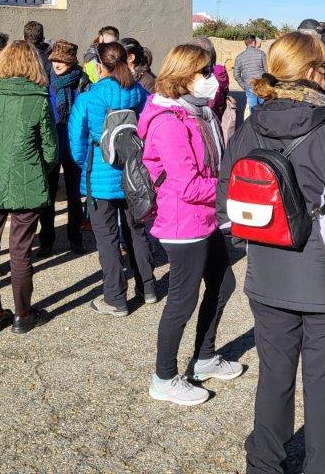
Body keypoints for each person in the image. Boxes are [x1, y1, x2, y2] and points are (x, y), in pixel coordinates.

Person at [217, 31, 325, 474]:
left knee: (274, 378)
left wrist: (251, 245)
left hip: (267, 277)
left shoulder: (251, 126)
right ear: (312, 74)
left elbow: (227, 206)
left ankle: (263, 465)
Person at [139, 44, 240, 406]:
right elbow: (188, 184)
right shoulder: (168, 121)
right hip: (182, 222)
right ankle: (164, 377)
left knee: (223, 283)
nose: (210, 80)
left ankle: (205, 357)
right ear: (184, 77)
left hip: (206, 217)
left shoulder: (198, 113)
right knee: (181, 301)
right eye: (204, 73)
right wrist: (233, 190)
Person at [0, 40, 59, 335]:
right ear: (33, 64)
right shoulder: (39, 99)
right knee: (20, 251)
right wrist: (40, 170)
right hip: (27, 182)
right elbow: (50, 150)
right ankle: (22, 315)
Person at [69, 42, 154, 316]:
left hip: (101, 171)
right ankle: (148, 287)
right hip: (132, 171)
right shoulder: (138, 92)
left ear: (99, 65)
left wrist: (85, 165)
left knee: (107, 238)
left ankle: (115, 298)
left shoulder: (89, 97)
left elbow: (77, 141)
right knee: (137, 231)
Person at [41, 39, 86, 256]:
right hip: (51, 142)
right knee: (47, 195)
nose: (57, 64)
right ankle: (47, 240)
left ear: (72, 62)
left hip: (74, 143)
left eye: (63, 61)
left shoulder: (81, 81)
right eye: (55, 60)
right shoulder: (44, 80)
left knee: (74, 195)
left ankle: (75, 238)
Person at [192, 36, 230, 125]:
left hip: (202, 117)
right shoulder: (220, 71)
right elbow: (225, 89)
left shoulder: (208, 73)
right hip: (217, 114)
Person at [234, 35, 267, 109]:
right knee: (264, 108)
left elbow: (236, 75)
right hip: (261, 86)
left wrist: (244, 86)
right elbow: (267, 71)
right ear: (254, 42)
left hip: (249, 86)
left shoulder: (239, 57)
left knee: (253, 109)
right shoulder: (261, 54)